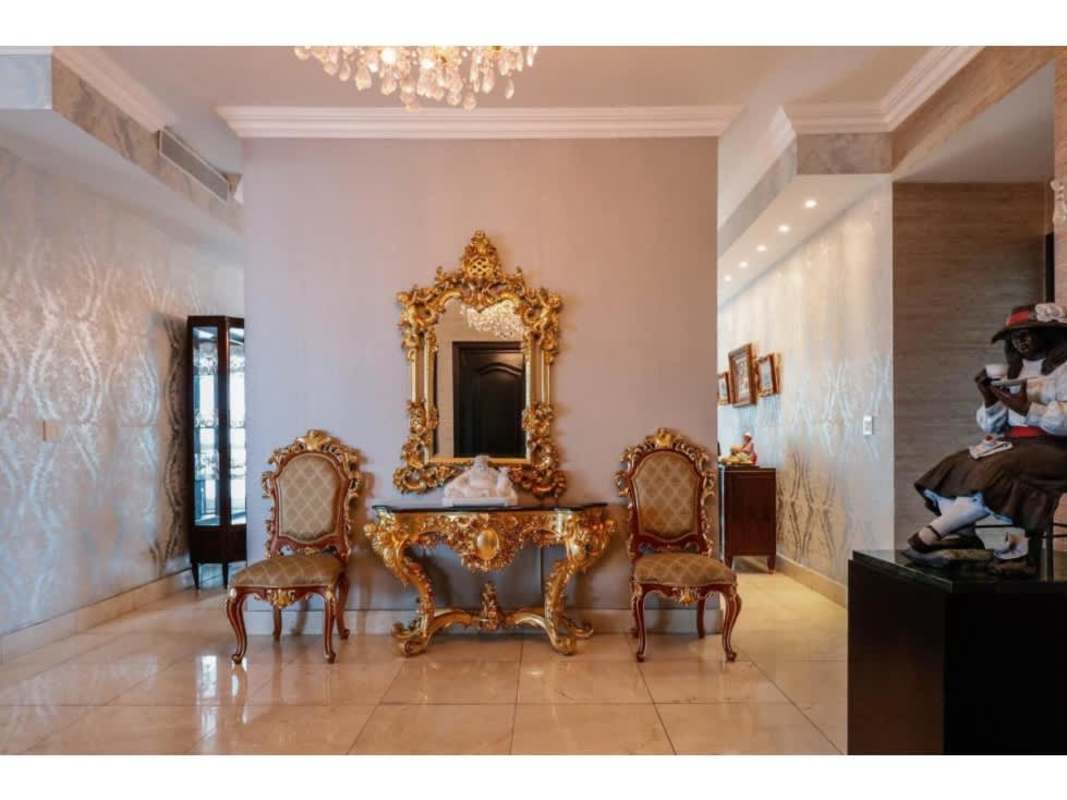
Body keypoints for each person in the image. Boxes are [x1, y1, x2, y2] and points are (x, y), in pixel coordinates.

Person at [910, 303, 1067, 560]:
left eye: (1028, 333)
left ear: (1052, 334)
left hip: (1055, 448)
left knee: (994, 472)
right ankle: (966, 536)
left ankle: (930, 535)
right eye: (1014, 336)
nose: (1020, 340)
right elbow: (992, 426)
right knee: (955, 465)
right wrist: (989, 399)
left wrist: (1028, 408)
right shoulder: (1015, 370)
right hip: (1014, 444)